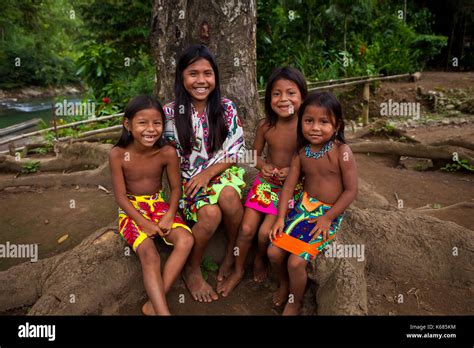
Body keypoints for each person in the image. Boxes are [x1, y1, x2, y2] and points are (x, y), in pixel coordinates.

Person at [163, 45, 246, 303]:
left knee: (230, 197)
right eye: (193, 73)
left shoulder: (226, 108)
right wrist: (180, 193)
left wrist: (209, 172)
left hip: (222, 172)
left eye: (207, 73)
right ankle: (192, 267)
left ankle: (233, 252)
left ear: (215, 77)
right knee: (210, 215)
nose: (201, 80)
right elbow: (168, 160)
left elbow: (235, 150)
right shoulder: (169, 114)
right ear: (181, 78)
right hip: (189, 181)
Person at [217, 67, 307, 297]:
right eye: (276, 93)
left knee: (264, 233)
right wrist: (262, 166)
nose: (283, 99)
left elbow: (311, 162)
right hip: (265, 185)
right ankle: (238, 270)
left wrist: (293, 171)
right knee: (246, 229)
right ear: (268, 99)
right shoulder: (265, 126)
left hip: (291, 189)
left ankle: (259, 258)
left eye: (291, 93)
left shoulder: (306, 128)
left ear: (303, 96)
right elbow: (253, 155)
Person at [268, 91, 358, 315]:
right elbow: (288, 187)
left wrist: (328, 217)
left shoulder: (342, 152)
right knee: (273, 253)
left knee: (296, 262)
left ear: (337, 125)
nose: (315, 127)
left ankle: (294, 301)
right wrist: (280, 217)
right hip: (302, 208)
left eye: (324, 122)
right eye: (309, 121)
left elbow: (351, 190)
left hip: (327, 213)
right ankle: (285, 285)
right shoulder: (301, 153)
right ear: (301, 123)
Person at [109, 95, 194, 315]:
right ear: (128, 125)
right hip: (132, 210)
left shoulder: (166, 152)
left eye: (157, 123)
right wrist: (142, 222)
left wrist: (169, 215)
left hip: (159, 206)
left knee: (186, 240)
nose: (151, 129)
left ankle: (153, 305)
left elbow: (176, 189)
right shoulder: (118, 155)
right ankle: (163, 312)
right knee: (149, 254)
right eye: (142, 123)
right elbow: (120, 197)